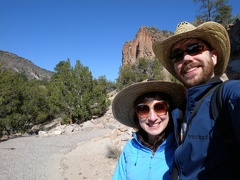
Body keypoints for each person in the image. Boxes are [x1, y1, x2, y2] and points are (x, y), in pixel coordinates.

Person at [152, 21, 240, 179]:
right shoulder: (179, 110)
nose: (186, 58)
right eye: (177, 55)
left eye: (195, 48)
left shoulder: (227, 94)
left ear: (213, 57)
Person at [111, 80, 185, 180]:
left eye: (159, 107)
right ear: (136, 115)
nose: (152, 118)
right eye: (143, 109)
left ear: (169, 111)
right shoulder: (130, 148)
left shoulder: (180, 148)